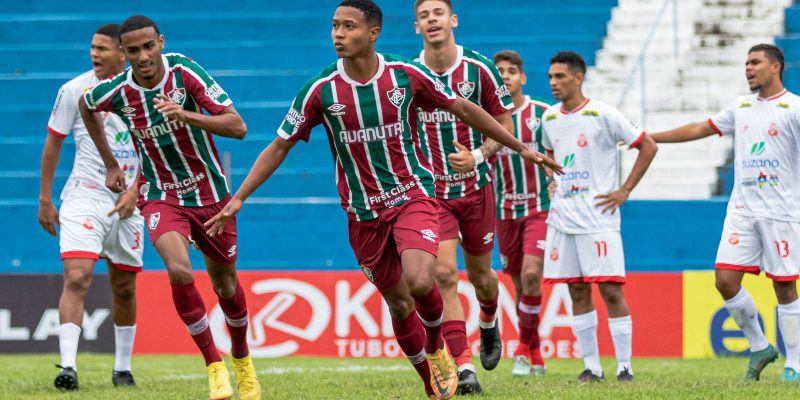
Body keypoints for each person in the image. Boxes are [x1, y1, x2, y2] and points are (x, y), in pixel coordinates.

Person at [203, 1, 561, 398]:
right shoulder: (321, 91)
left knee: (425, 278)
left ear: (373, 33)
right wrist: (239, 198)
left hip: (414, 197)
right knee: (400, 304)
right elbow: (279, 146)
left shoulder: (406, 76)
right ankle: (431, 377)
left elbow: (462, 107)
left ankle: (437, 344)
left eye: (349, 26)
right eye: (334, 26)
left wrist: (521, 148)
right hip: (363, 214)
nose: (338, 33)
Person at [79, 15, 260, 400]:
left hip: (211, 196)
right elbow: (86, 104)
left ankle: (242, 362)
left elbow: (238, 127)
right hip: (162, 195)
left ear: (160, 41)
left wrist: (185, 114)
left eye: (149, 46)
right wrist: (112, 163)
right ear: (124, 53)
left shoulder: (185, 73)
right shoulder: (119, 91)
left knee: (226, 285)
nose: (143, 56)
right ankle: (214, 367)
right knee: (179, 271)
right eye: (133, 51)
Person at [650, 43, 800, 382]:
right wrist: (648, 136)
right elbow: (699, 129)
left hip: (782, 212)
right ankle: (760, 347)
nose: (748, 68)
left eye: (755, 62)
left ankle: (795, 363)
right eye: (746, 63)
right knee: (725, 280)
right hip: (742, 212)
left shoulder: (794, 108)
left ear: (775, 67)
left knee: (785, 286)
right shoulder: (741, 106)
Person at [412, 0, 515, 392]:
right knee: (442, 275)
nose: (432, 19)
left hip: (476, 189)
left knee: (482, 277)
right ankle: (464, 367)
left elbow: (504, 122)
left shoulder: (479, 69)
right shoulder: (408, 75)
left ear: (452, 20)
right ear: (417, 27)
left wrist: (477, 154)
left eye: (438, 12)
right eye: (424, 15)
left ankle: (489, 323)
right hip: (432, 194)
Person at [541, 51, 658, 382]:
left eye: (560, 76)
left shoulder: (604, 114)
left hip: (598, 219)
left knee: (610, 290)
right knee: (576, 290)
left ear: (578, 78)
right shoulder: (549, 118)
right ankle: (591, 366)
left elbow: (647, 145)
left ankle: (624, 366)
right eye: (551, 77)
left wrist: (625, 190)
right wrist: (552, 180)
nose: (553, 83)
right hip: (562, 218)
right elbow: (551, 155)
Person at [40, 23, 142, 391]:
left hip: (131, 200)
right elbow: (53, 143)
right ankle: (68, 366)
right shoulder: (73, 90)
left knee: (125, 287)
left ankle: (122, 367)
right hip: (85, 195)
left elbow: (157, 147)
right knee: (78, 276)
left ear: (122, 52)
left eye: (102, 49)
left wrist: (136, 189)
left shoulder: (143, 92)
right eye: (92, 48)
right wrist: (45, 198)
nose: (94, 54)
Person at [491, 50, 551, 378]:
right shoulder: (485, 118)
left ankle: (521, 352)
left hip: (539, 209)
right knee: (518, 285)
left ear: (522, 78)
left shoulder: (542, 114)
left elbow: (561, 152)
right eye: (499, 70)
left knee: (531, 275)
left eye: (511, 71)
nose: (505, 76)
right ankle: (535, 349)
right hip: (504, 213)